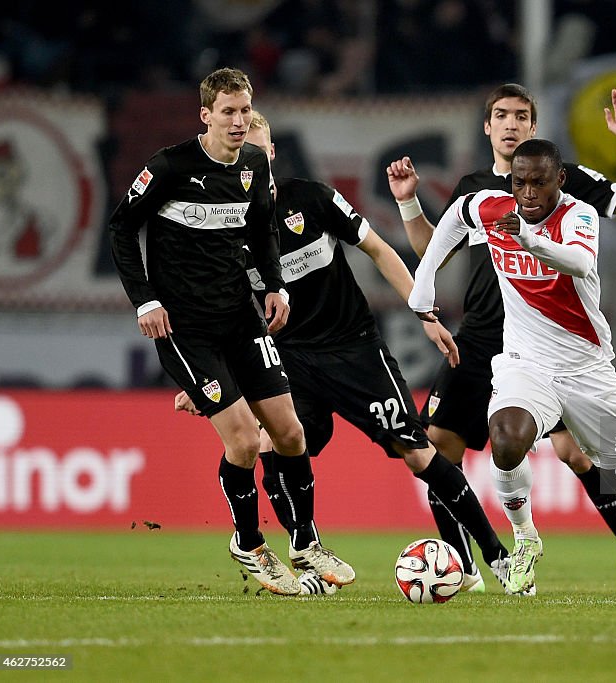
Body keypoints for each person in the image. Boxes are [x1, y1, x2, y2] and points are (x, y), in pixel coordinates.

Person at [176, 110, 512, 594]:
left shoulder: (311, 199)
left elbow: (379, 250)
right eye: (238, 156)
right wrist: (206, 374)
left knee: (417, 452)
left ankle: (496, 557)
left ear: (271, 154)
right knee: (274, 444)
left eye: (257, 151)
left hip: (354, 351)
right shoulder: (224, 228)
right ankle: (308, 557)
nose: (249, 162)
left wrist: (424, 312)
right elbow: (219, 311)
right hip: (289, 358)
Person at [388, 85, 616, 596]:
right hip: (480, 337)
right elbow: (436, 249)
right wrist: (408, 204)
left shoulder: (565, 179)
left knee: (575, 454)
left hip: (548, 348)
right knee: (436, 452)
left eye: (521, 116)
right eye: (500, 116)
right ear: (487, 127)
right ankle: (467, 568)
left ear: (533, 128)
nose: (511, 124)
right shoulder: (473, 187)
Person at [109, 68, 317, 596]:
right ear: (205, 115)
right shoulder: (171, 167)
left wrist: (275, 287)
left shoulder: (252, 164)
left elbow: (262, 228)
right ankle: (249, 543)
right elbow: (120, 226)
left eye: (245, 111)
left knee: (291, 433)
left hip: (240, 317)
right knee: (245, 442)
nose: (239, 121)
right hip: (185, 327)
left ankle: (306, 542)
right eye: (228, 111)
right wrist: (146, 300)